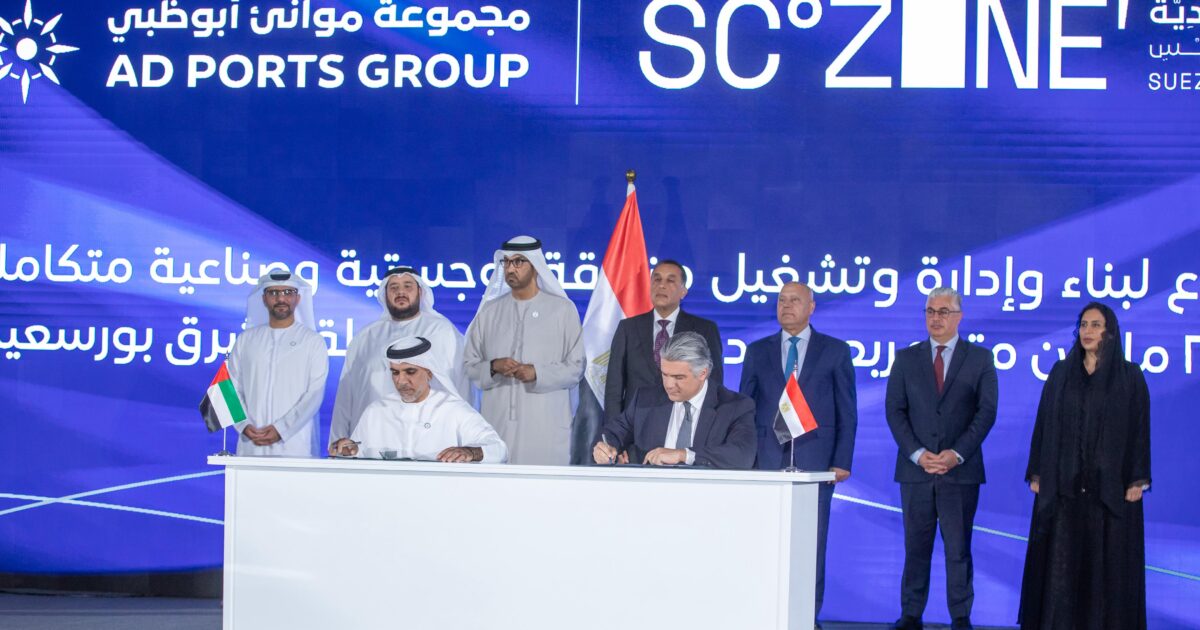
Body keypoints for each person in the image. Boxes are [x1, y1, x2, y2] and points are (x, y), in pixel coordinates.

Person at [1018, 302, 1150, 630]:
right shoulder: (1061, 373)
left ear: (1110, 332)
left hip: (1110, 493)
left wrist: (1137, 478)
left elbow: (1139, 429)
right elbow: (1044, 423)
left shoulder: (1130, 376)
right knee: (1061, 571)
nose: (1087, 331)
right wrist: (1037, 472)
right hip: (1064, 490)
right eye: (1083, 325)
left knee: (1105, 572)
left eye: (1095, 325)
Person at [738, 282, 857, 627]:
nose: (786, 306)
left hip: (815, 463)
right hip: (766, 463)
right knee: (765, 543)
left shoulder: (835, 351)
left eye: (794, 300)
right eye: (781, 300)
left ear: (811, 307)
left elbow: (846, 411)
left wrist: (842, 460)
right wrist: (747, 460)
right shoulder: (757, 351)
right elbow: (745, 410)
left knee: (811, 544)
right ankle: (764, 613)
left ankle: (807, 616)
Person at [885, 287, 998, 630]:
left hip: (960, 473)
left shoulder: (980, 359)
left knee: (958, 549)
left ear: (959, 317)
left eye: (944, 311)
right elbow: (895, 412)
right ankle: (911, 614)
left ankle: (960, 616)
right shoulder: (906, 359)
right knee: (915, 548)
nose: (936, 318)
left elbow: (986, 413)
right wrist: (919, 454)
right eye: (931, 311)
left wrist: (956, 454)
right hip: (916, 472)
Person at [464, 236, 585, 465]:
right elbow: (470, 366)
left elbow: (576, 368)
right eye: (506, 262)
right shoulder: (489, 312)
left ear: (536, 265)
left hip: (546, 429)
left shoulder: (562, 310)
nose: (511, 268)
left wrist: (537, 373)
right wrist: (493, 367)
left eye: (518, 262)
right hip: (497, 424)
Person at [329, 266, 467, 446]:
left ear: (420, 292)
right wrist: (337, 439)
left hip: (425, 437)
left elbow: (460, 386)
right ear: (384, 294)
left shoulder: (441, 330)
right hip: (370, 436)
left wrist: (462, 439)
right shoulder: (366, 336)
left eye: (408, 286)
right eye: (394, 287)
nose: (401, 292)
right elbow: (346, 394)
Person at [329, 336, 508, 463]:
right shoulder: (376, 411)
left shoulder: (453, 409)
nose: (401, 381)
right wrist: (348, 451)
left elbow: (499, 449)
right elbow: (358, 453)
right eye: (395, 373)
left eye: (410, 372)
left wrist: (470, 452)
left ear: (429, 372)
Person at [593, 331, 755, 469]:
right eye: (665, 374)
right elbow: (612, 433)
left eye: (679, 377)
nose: (669, 385)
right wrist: (604, 449)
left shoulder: (735, 406)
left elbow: (743, 455)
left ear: (702, 373)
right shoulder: (645, 400)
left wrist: (683, 455)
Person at [604, 259, 724, 423]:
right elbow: (614, 387)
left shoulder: (704, 329)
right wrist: (614, 432)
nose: (662, 285)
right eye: (657, 279)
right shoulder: (628, 328)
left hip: (684, 424)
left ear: (683, 292)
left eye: (670, 280)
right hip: (635, 426)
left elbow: (714, 383)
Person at [227, 270, 329, 457]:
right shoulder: (245, 340)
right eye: (273, 293)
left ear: (298, 298)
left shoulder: (312, 342)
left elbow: (314, 395)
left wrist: (281, 429)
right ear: (264, 299)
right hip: (251, 446)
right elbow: (229, 388)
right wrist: (243, 425)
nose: (281, 298)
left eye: (288, 293)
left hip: (294, 447)